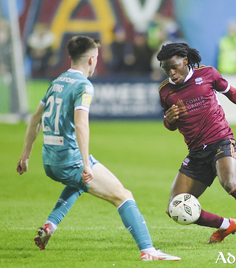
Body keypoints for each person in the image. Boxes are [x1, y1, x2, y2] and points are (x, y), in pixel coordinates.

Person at [16, 36, 180, 261]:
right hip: (70, 160)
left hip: (49, 160)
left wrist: (25, 156)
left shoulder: (57, 82)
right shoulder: (84, 85)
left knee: (79, 183)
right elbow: (82, 124)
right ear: (92, 59)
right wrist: (85, 164)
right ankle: (148, 250)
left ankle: (50, 225)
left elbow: (35, 119)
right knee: (123, 195)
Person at [156, 43, 236, 248]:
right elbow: (170, 125)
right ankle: (227, 225)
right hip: (196, 152)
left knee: (229, 182)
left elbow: (233, 94)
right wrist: (169, 120)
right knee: (174, 207)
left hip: (221, 140)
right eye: (166, 69)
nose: (171, 73)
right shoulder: (165, 91)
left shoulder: (208, 74)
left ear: (185, 61)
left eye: (174, 67)